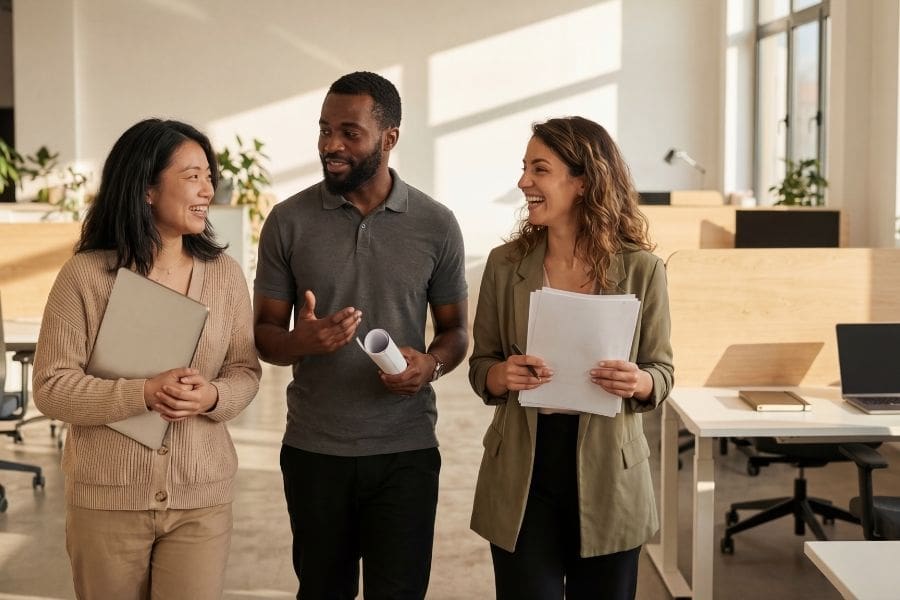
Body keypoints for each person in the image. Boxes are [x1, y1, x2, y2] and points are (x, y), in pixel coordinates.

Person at [253, 71, 468, 600]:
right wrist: (302, 342)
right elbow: (264, 336)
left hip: (406, 450)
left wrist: (431, 366)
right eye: (325, 130)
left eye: (350, 132)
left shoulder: (436, 225)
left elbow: (456, 331)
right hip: (314, 451)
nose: (331, 145)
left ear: (389, 138)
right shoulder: (287, 221)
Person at [32, 118, 262, 600]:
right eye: (192, 175)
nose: (208, 188)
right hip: (107, 500)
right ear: (146, 189)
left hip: (202, 499)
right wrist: (142, 392)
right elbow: (52, 387)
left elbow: (245, 370)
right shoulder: (85, 276)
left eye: (209, 175)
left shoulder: (224, 275)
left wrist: (213, 394)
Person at [468, 116, 674, 600]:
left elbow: (661, 371)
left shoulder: (643, 269)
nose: (524, 182)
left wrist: (638, 382)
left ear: (583, 181)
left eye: (539, 170)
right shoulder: (504, 264)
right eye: (524, 169)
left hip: (610, 472)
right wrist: (501, 374)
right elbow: (482, 366)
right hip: (523, 468)